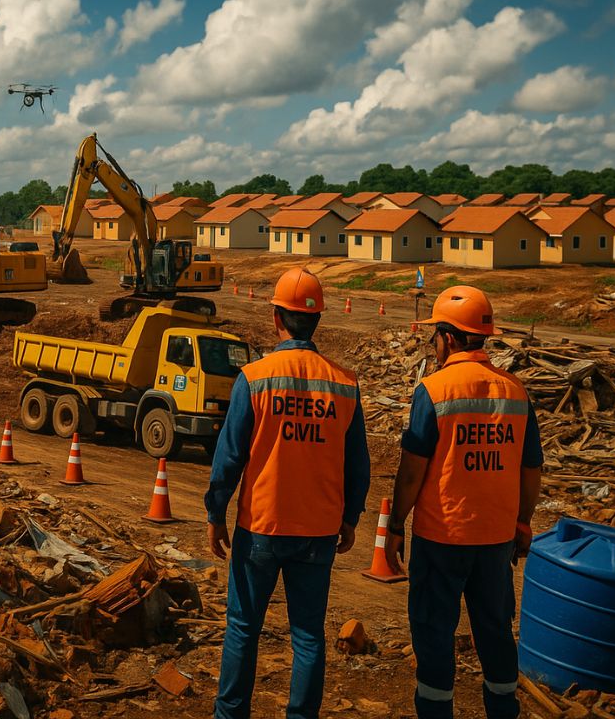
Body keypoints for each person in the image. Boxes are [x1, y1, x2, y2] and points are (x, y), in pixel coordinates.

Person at [205, 267, 371, 719]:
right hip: (317, 533)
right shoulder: (344, 384)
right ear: (317, 321)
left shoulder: (255, 377)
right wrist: (351, 516)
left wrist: (215, 513)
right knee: (309, 636)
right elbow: (358, 463)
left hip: (261, 526)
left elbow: (229, 457)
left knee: (242, 628)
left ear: (277, 317)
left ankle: (230, 713)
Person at [384, 285, 543, 719]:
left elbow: (412, 470)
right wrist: (523, 522)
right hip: (495, 539)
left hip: (442, 538)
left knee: (434, 632)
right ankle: (502, 709)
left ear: (449, 337)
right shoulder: (516, 392)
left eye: (434, 336)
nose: (433, 345)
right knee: (494, 632)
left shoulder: (434, 390)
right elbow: (531, 471)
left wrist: (396, 524)